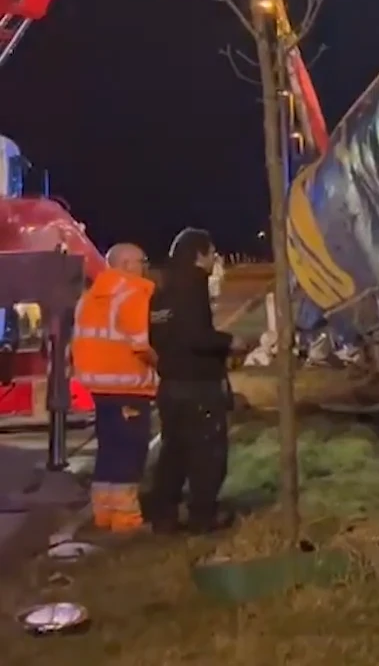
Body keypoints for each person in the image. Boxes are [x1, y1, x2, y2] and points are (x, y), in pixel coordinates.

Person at [147, 228, 237, 533]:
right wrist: (229, 342)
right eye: (212, 253)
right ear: (199, 256)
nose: (214, 259)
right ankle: (203, 515)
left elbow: (161, 336)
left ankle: (163, 513)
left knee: (174, 451)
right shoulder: (193, 286)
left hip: (170, 385)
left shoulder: (162, 290)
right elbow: (197, 337)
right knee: (207, 453)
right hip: (198, 386)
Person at [71, 242, 157, 533]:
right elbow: (141, 344)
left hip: (99, 387)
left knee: (108, 451)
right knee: (129, 453)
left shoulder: (90, 296)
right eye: (141, 260)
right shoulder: (133, 292)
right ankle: (126, 521)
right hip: (129, 386)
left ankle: (103, 514)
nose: (145, 265)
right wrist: (164, 365)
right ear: (126, 264)